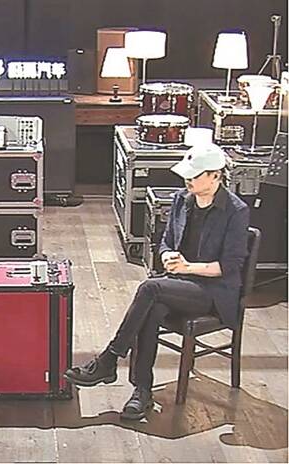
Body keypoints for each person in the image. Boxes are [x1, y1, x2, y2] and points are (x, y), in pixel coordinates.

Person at [64, 143, 250, 420]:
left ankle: (110, 359)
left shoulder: (236, 211)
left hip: (213, 292)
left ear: (215, 175)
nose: (188, 180)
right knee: (152, 309)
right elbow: (165, 242)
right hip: (179, 284)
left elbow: (230, 266)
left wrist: (189, 267)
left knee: (150, 289)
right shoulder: (182, 200)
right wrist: (167, 256)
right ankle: (142, 391)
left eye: (195, 175)